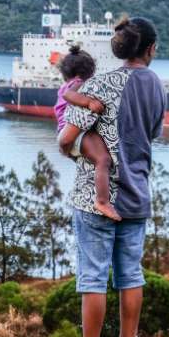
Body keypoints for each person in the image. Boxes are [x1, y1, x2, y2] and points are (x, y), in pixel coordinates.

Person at [58, 16, 166, 337]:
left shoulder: (100, 84)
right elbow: (152, 133)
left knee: (93, 277)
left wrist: (81, 152)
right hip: (137, 193)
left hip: (96, 197)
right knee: (131, 274)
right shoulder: (158, 86)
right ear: (150, 49)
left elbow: (66, 137)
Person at [56, 46, 121, 221]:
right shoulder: (78, 84)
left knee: (99, 161)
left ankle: (100, 196)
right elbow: (69, 95)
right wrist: (89, 102)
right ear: (90, 70)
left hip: (71, 133)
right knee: (103, 159)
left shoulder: (69, 83)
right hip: (73, 133)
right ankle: (102, 201)